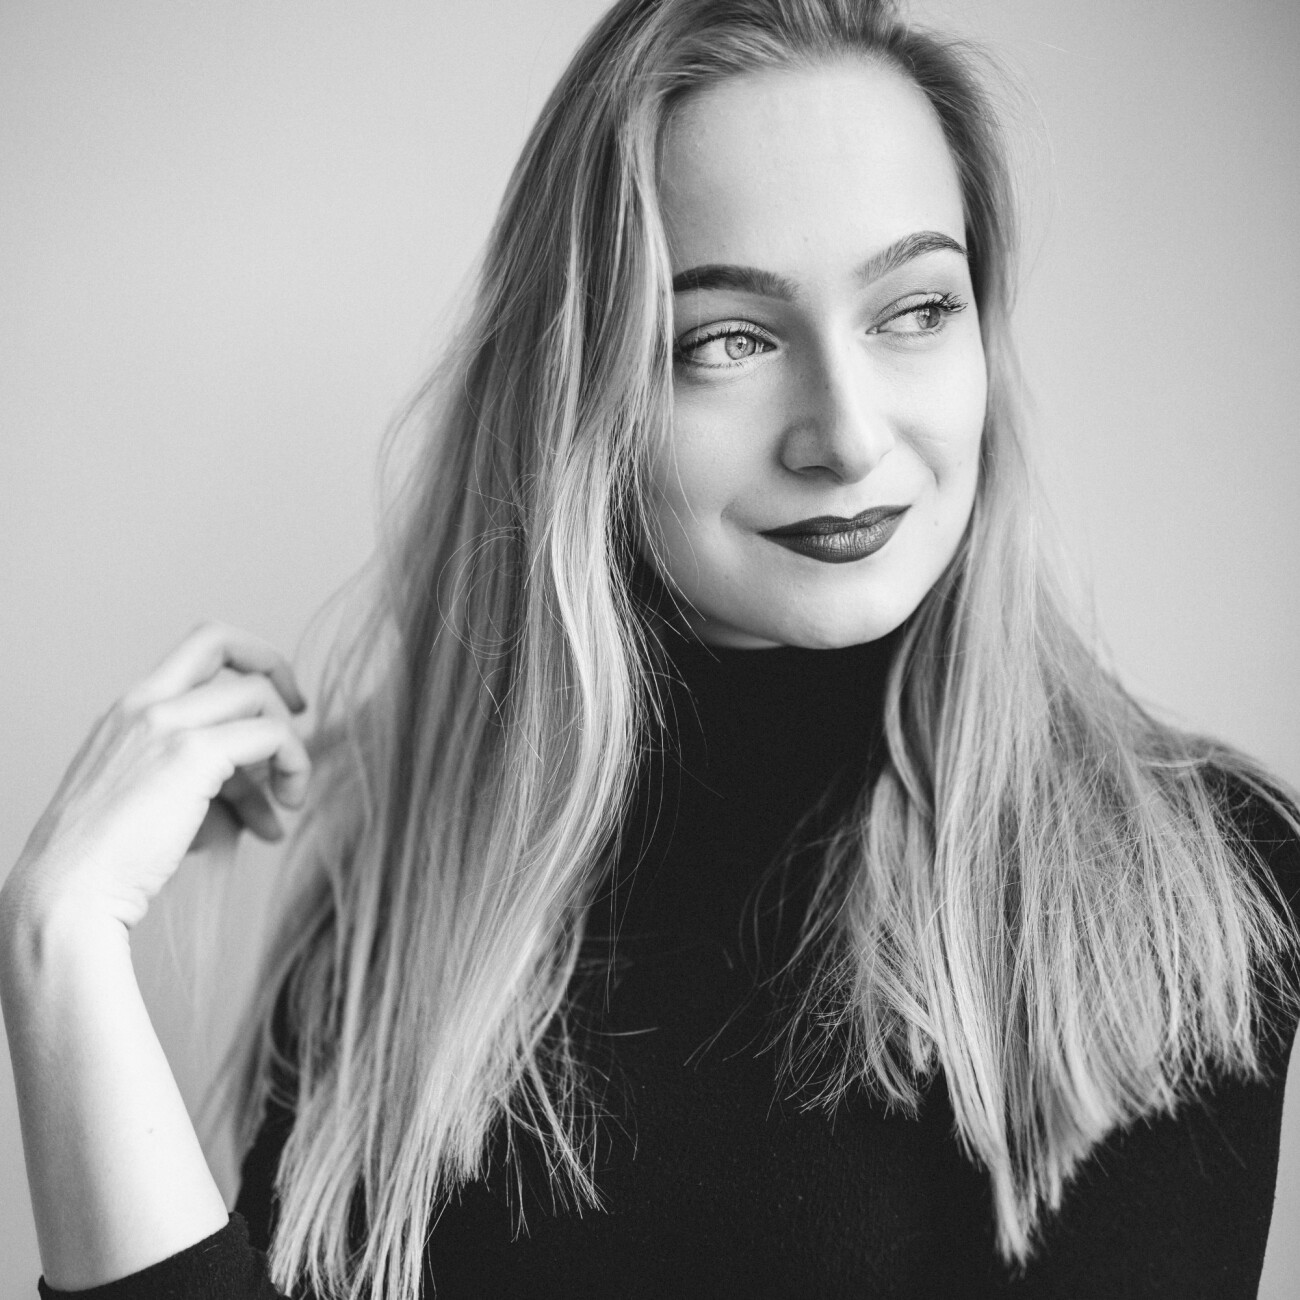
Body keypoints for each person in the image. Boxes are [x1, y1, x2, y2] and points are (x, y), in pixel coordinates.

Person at [3, 0, 1297, 1296]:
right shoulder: (418, 884)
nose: (848, 436)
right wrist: (66, 954)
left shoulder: (1179, 888)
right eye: (727, 340)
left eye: (915, 308)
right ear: (582, 391)